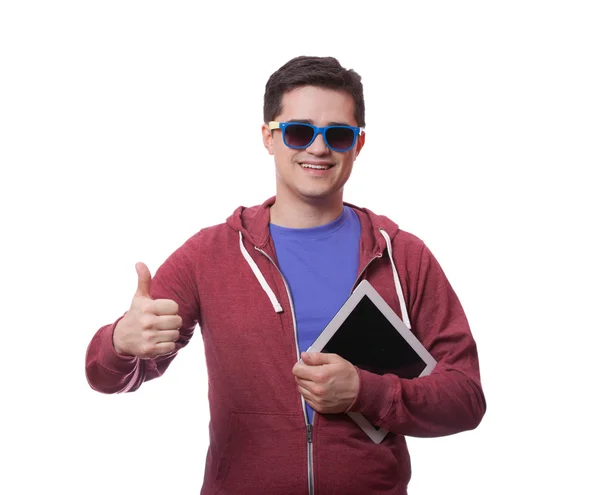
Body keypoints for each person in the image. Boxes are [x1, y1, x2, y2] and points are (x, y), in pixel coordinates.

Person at [85, 55, 486, 495]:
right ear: (269, 138)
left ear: (358, 144)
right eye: (299, 131)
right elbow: (109, 376)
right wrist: (120, 343)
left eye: (338, 134)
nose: (318, 148)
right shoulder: (209, 255)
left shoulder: (401, 255)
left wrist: (366, 392)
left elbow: (465, 399)